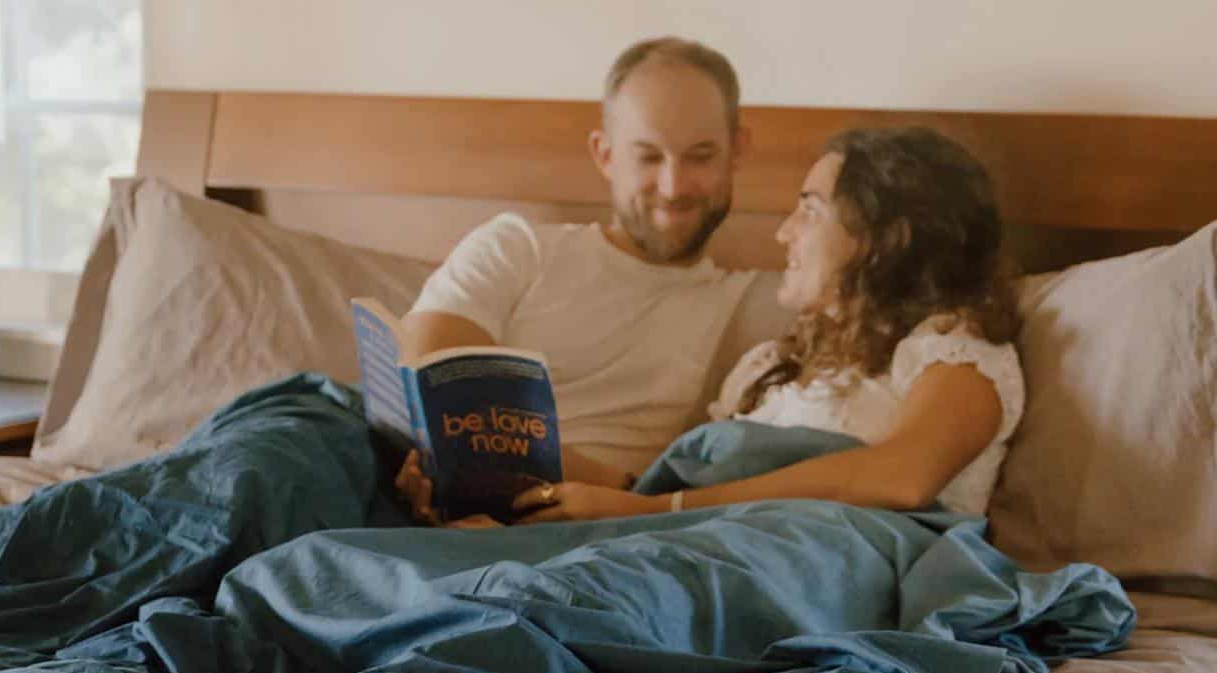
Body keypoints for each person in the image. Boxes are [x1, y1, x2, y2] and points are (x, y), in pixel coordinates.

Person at [407, 126, 1025, 527]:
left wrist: (651, 512)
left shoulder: (954, 350)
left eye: (808, 211)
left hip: (809, 568)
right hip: (697, 545)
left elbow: (902, 478)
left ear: (891, 237)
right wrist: (490, 468)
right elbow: (661, 484)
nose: (784, 233)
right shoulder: (769, 368)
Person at [397, 36, 759, 492]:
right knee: (302, 416)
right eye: (648, 156)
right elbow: (428, 392)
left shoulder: (748, 307)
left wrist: (618, 498)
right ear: (604, 155)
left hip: (581, 529)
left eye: (700, 156)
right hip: (422, 488)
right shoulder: (516, 247)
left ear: (738, 150)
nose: (673, 186)